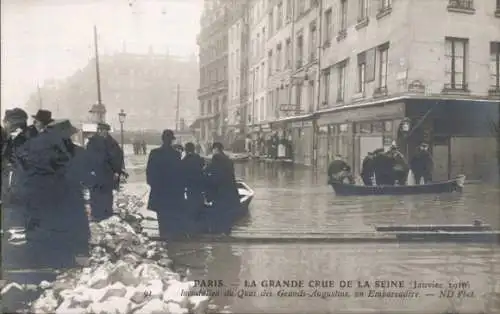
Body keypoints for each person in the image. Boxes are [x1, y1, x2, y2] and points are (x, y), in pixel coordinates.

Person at [46, 119, 91, 261]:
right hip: (73, 195)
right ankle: (78, 254)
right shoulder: (79, 152)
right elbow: (86, 176)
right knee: (76, 226)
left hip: (54, 197)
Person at [146, 130, 185, 238]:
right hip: (172, 191)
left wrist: (152, 184)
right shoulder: (176, 154)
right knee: (171, 213)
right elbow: (179, 174)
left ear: (162, 139)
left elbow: (149, 171)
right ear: (172, 140)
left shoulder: (154, 153)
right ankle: (170, 236)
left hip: (159, 189)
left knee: (161, 214)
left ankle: (163, 234)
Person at [86, 122, 125, 222]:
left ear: (106, 131)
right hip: (95, 173)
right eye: (98, 130)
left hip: (108, 173)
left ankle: (107, 215)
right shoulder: (92, 142)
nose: (100, 132)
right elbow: (87, 157)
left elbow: (118, 157)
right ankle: (96, 215)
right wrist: (89, 170)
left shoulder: (112, 143)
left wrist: (117, 171)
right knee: (95, 194)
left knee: (107, 195)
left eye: (102, 130)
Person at [204, 142, 240, 234]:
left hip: (219, 191)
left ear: (216, 149)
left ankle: (217, 233)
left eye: (213, 150)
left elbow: (210, 171)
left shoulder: (216, 158)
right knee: (227, 214)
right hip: (229, 191)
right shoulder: (229, 160)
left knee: (217, 213)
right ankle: (227, 234)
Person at [181, 142, 206, 231]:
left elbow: (182, 172)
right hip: (199, 184)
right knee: (199, 200)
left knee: (191, 201)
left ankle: (192, 222)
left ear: (186, 150)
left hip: (190, 185)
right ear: (194, 149)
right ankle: (200, 220)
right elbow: (203, 167)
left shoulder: (184, 160)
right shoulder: (199, 158)